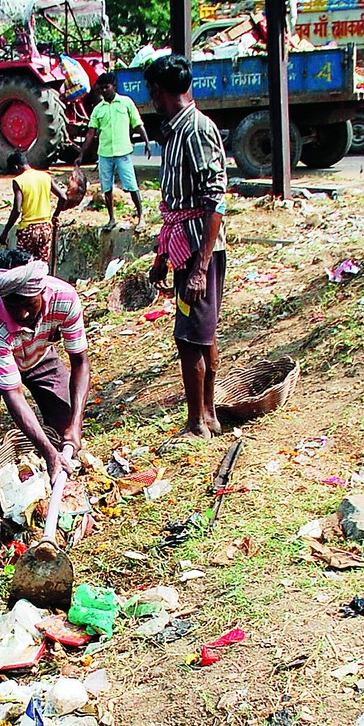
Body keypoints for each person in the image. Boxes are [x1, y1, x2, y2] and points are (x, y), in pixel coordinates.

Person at [0, 260, 89, 553]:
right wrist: (49, 453)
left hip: (38, 354)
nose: (23, 313)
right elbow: (13, 394)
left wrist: (75, 425)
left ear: (42, 291)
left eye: (29, 304)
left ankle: (62, 502)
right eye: (13, 306)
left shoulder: (65, 299)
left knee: (64, 418)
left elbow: (80, 362)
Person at [144, 53, 227, 440]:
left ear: (160, 92)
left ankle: (198, 422)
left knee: (191, 336)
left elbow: (215, 202)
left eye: (152, 93)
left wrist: (198, 268)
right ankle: (208, 417)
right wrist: (163, 256)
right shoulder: (173, 132)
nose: (152, 100)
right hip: (182, 247)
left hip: (199, 252)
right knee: (199, 332)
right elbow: (175, 205)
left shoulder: (198, 130)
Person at [79, 71, 149, 232]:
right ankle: (111, 219)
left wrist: (146, 141)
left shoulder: (126, 103)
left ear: (114, 87)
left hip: (123, 152)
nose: (104, 91)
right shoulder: (98, 109)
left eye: (106, 88)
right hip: (104, 154)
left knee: (131, 185)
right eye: (101, 89)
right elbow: (91, 133)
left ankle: (141, 217)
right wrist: (81, 155)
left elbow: (137, 123)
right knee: (107, 188)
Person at [0, 149, 67, 263]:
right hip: (45, 228)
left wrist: (5, 232)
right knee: (41, 266)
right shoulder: (45, 176)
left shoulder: (19, 181)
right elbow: (63, 197)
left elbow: (16, 210)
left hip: (28, 230)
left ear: (16, 167)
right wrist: (55, 215)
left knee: (23, 265)